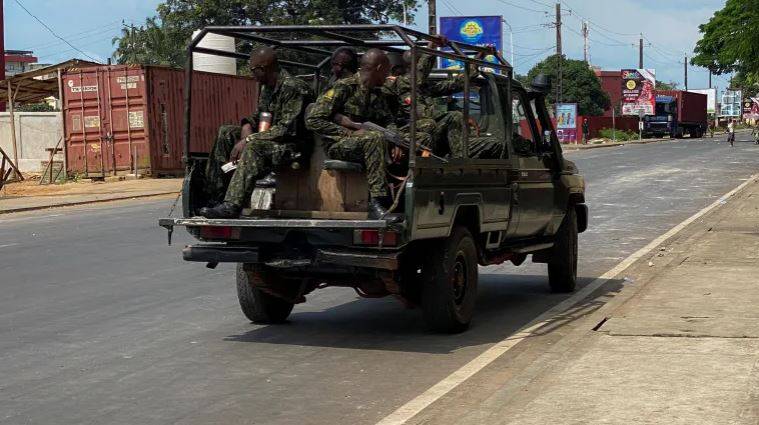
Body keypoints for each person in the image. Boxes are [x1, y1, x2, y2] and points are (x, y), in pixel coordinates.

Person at [199, 46, 314, 219]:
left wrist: (248, 139)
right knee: (226, 132)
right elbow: (260, 117)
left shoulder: (293, 87)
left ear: (264, 68)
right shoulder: (267, 87)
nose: (252, 74)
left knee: (255, 146)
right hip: (272, 141)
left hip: (294, 147)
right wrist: (247, 126)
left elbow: (286, 129)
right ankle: (216, 196)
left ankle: (232, 206)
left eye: (253, 70)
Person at [307, 48, 405, 221]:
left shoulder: (376, 93)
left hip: (364, 143)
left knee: (383, 138)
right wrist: (347, 132)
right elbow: (313, 119)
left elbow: (389, 120)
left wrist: (396, 140)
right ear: (379, 67)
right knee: (374, 138)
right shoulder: (345, 87)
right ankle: (376, 203)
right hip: (338, 145)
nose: (388, 76)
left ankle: (397, 198)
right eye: (386, 71)